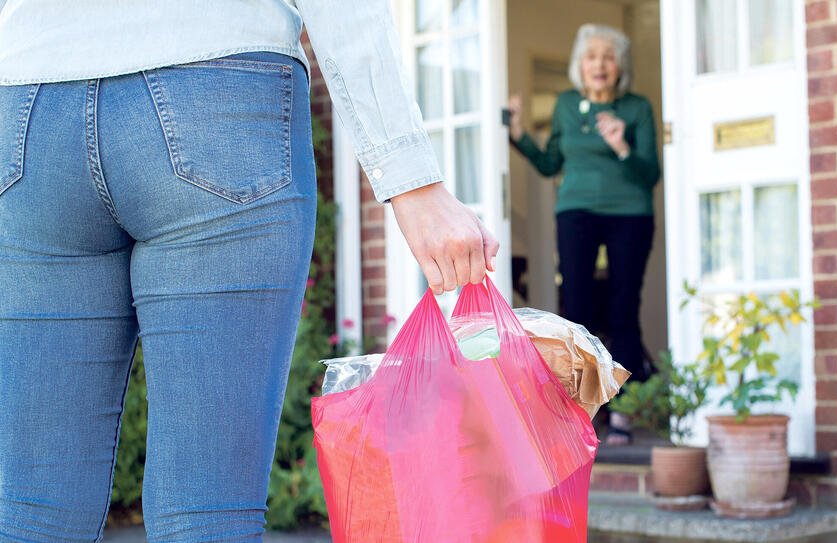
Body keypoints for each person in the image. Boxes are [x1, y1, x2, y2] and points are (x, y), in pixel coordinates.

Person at [0, 1, 496, 540]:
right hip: (217, 89)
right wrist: (413, 181)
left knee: (33, 512)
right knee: (206, 512)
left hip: (26, 112)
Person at [506, 23, 660, 446]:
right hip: (575, 212)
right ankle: (580, 410)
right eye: (592, 56)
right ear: (580, 65)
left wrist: (622, 146)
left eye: (608, 57)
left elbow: (651, 174)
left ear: (619, 66)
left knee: (623, 307)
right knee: (575, 308)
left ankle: (624, 413)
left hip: (630, 213)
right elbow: (550, 163)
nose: (600, 64)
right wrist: (517, 133)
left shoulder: (637, 108)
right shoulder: (567, 106)